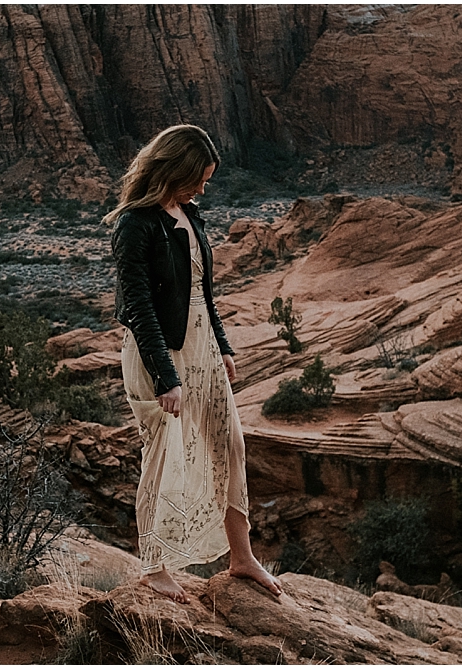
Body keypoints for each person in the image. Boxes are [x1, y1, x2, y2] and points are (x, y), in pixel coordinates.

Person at [105, 125, 282, 603]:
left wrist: (222, 346)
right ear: (173, 170)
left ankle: (241, 557)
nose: (204, 188)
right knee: (164, 457)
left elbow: (204, 292)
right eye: (199, 178)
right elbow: (138, 306)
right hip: (159, 352)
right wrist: (167, 375)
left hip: (202, 347)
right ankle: (154, 566)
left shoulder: (189, 214)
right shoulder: (135, 224)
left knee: (231, 445)